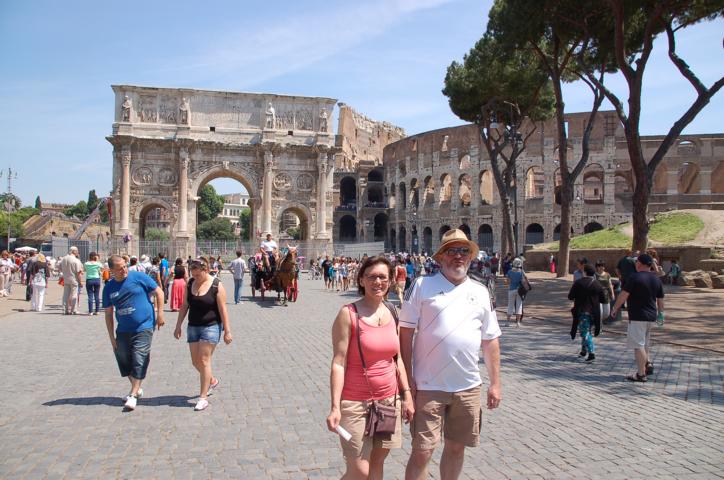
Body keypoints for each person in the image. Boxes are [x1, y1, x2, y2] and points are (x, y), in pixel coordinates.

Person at [399, 229, 501, 480]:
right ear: (441, 256)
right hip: (428, 385)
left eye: (464, 251)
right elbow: (405, 335)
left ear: (471, 256)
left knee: (456, 449)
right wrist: (407, 380)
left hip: (467, 386)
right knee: (422, 451)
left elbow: (490, 340)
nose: (458, 256)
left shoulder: (481, 291)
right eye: (452, 250)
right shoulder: (422, 285)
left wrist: (495, 383)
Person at [326, 256, 414, 479]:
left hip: (388, 402)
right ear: (361, 280)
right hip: (355, 404)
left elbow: (397, 359)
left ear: (390, 280)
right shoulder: (348, 313)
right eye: (372, 277)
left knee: (377, 464)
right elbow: (338, 363)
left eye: (383, 277)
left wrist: (406, 395)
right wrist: (335, 406)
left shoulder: (392, 312)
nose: (378, 282)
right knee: (360, 471)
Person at [103, 255, 165, 411]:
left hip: (144, 326)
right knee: (123, 359)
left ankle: (133, 394)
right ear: (111, 270)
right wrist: (111, 338)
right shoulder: (109, 288)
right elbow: (108, 314)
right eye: (119, 268)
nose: (124, 270)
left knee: (139, 357)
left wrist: (160, 314)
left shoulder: (138, 277)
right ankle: (136, 388)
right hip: (123, 329)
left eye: (125, 266)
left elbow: (159, 292)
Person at [173, 257, 232, 411]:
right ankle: (211, 380)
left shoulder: (216, 285)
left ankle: (203, 397)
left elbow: (223, 309)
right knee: (195, 361)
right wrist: (178, 325)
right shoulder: (190, 283)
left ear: (205, 270)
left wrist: (227, 331)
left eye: (198, 275)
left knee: (204, 360)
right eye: (193, 274)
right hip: (193, 326)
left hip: (211, 326)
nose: (196, 277)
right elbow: (185, 305)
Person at [611, 253, 665, 383]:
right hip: (651, 316)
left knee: (638, 344)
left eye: (636, 262)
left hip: (638, 315)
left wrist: (615, 308)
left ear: (639, 263)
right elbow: (660, 299)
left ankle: (641, 374)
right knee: (645, 342)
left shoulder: (634, 277)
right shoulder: (656, 279)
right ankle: (648, 363)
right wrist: (661, 313)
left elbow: (624, 294)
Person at [568, 264, 606, 362]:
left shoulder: (578, 283)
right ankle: (583, 350)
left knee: (585, 332)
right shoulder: (597, 284)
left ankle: (591, 353)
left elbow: (570, 296)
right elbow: (603, 299)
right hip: (595, 312)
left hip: (583, 311)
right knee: (586, 330)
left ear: (584, 272)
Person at [59, 246, 84, 315]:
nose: (77, 252)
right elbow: (78, 272)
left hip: (66, 279)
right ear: (74, 251)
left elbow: (59, 268)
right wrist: (80, 282)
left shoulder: (63, 259)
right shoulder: (76, 260)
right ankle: (74, 309)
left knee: (65, 295)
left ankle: (64, 309)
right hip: (74, 279)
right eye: (77, 251)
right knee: (74, 294)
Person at [505, 258, 525, 327]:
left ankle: (508, 322)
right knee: (519, 306)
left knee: (510, 305)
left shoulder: (510, 272)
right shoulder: (521, 272)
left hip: (511, 289)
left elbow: (508, 282)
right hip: (519, 290)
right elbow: (523, 281)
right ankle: (518, 322)